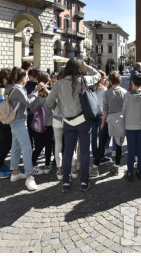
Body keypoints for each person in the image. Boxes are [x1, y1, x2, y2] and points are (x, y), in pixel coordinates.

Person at [45, 58, 101, 193]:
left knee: (67, 152)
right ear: (80, 68)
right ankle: (84, 181)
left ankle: (66, 182)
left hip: (67, 121)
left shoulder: (59, 83)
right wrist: (88, 67)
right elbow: (98, 76)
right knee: (85, 152)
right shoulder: (84, 80)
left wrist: (59, 110)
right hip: (83, 120)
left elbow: (48, 102)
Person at [6, 67, 45, 191]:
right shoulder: (18, 89)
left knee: (16, 147)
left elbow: (22, 100)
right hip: (19, 121)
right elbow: (29, 103)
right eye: (26, 76)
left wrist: (29, 94)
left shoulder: (10, 87)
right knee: (27, 148)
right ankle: (29, 176)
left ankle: (15, 172)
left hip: (13, 121)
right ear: (23, 77)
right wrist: (36, 91)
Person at [95, 71, 128, 176]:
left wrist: (103, 122)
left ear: (110, 80)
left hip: (110, 120)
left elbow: (105, 109)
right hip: (121, 119)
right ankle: (116, 166)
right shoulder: (124, 92)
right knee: (119, 145)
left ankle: (95, 165)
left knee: (102, 143)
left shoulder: (107, 93)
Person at [121, 72, 141, 182]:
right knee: (140, 149)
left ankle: (130, 172)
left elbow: (123, 110)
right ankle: (140, 171)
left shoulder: (128, 95)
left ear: (132, 81)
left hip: (130, 125)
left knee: (131, 150)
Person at [29, 71, 54, 175]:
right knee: (48, 145)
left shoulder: (35, 94)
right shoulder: (51, 94)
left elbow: (30, 106)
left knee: (38, 146)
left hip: (37, 123)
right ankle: (47, 164)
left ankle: (31, 163)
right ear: (47, 81)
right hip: (49, 123)